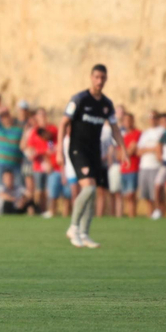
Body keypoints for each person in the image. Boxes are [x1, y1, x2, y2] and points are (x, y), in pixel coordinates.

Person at [61, 64, 131, 246]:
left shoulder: (107, 104)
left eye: (103, 78)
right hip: (78, 149)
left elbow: (115, 128)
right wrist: (58, 150)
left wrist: (123, 149)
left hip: (95, 152)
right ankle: (73, 227)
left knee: (93, 192)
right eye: (97, 77)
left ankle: (84, 234)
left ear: (106, 79)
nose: (99, 81)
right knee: (89, 188)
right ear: (91, 78)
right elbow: (63, 123)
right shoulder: (79, 99)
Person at [135, 110, 166, 218]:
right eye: (150, 117)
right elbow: (138, 151)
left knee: (157, 195)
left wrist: (147, 149)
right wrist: (152, 149)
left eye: (154, 117)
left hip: (156, 166)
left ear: (157, 119)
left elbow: (160, 148)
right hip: (144, 166)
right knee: (147, 196)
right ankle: (150, 216)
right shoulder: (146, 133)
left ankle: (160, 215)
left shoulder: (162, 131)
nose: (152, 119)